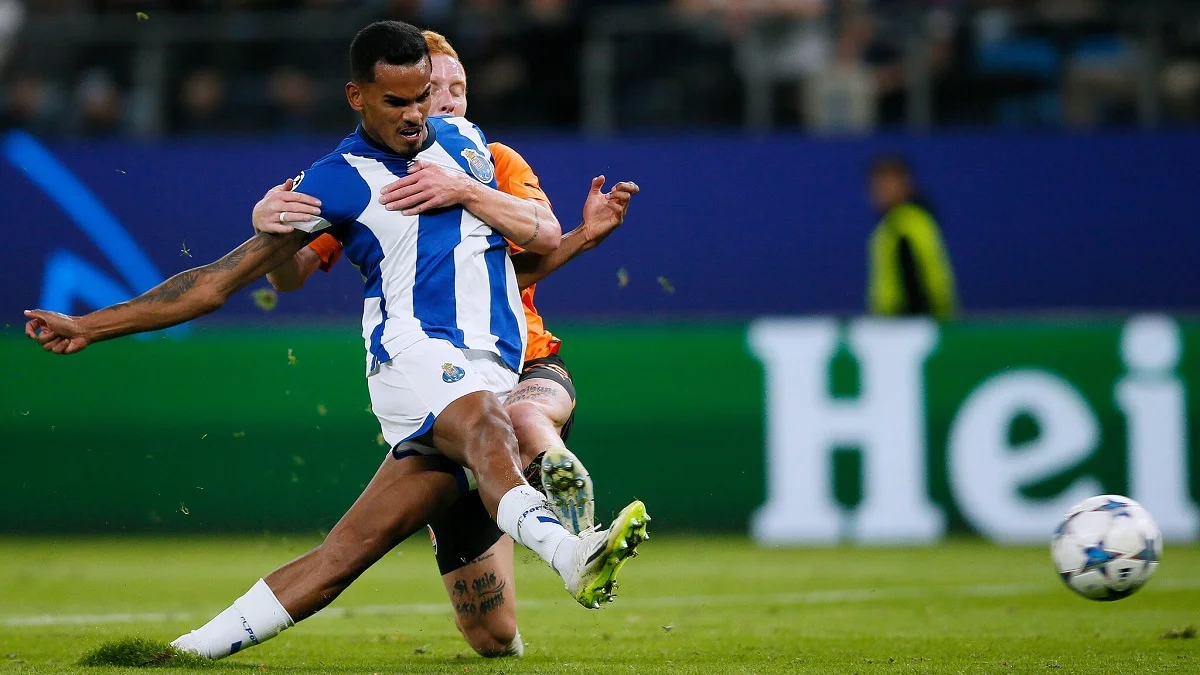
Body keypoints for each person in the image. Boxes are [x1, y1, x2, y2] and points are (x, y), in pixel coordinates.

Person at [23, 20, 648, 663]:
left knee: (346, 554)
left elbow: (528, 246)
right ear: (357, 96)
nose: (416, 114)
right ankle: (572, 553)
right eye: (396, 101)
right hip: (412, 356)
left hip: (487, 364)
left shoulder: (466, 143)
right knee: (494, 424)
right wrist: (90, 325)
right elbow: (215, 284)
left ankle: (181, 654)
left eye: (423, 97)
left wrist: (501, 202)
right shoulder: (339, 180)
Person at [251, 30, 641, 657]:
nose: (448, 100)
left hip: (523, 361)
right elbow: (290, 274)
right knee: (491, 634)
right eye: (434, 89)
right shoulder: (367, 178)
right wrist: (273, 222)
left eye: (458, 88)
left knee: (516, 415)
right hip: (438, 383)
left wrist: (481, 195)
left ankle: (568, 512)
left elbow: (527, 253)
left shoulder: (493, 159)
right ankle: (528, 507)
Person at [866, 155, 959, 320]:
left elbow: (921, 280)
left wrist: (918, 320)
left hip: (910, 323)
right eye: (878, 186)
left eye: (888, 184)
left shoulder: (909, 224)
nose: (882, 192)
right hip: (895, 324)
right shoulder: (889, 226)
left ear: (905, 184)